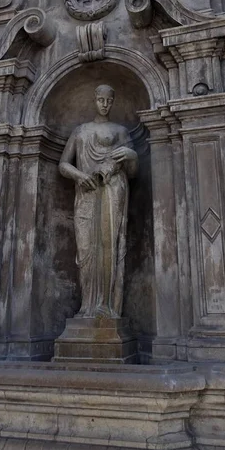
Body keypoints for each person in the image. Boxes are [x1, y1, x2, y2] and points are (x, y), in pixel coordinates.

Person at [59, 84, 138, 318]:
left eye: (109, 100)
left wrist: (132, 156)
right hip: (86, 193)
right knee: (85, 250)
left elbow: (133, 172)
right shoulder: (80, 131)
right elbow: (63, 164)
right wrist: (79, 175)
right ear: (94, 100)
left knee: (109, 245)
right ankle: (88, 305)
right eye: (101, 100)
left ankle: (109, 306)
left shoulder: (121, 131)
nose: (104, 104)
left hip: (113, 190)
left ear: (113, 102)